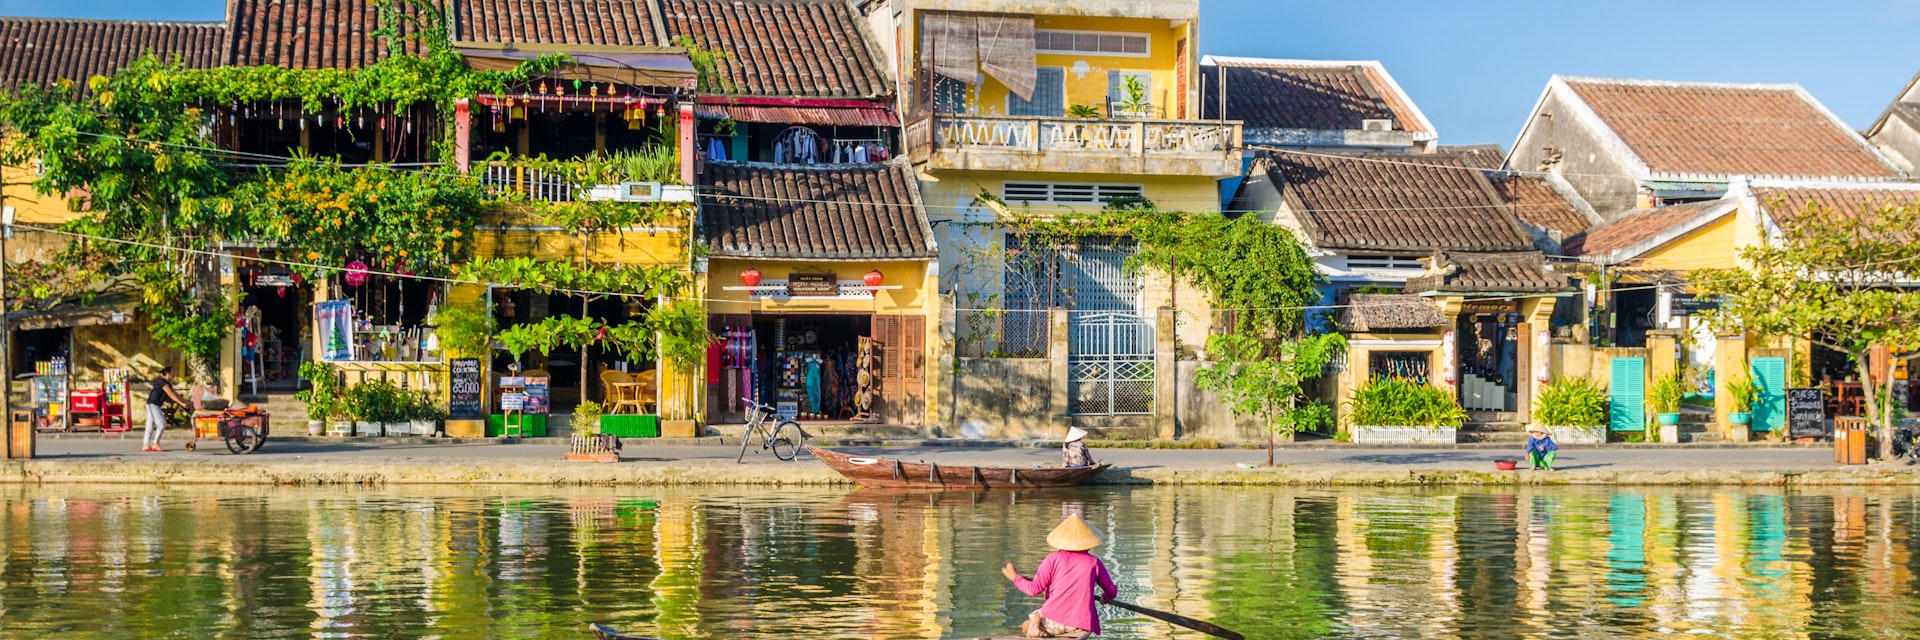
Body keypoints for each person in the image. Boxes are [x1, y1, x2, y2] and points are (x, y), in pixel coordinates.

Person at [1002, 514, 1117, 638]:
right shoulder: (1094, 562)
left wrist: (1015, 577)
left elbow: (1034, 589)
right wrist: (1105, 597)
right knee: (1037, 619)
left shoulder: (1053, 559)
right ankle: (1036, 620)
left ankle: (1035, 621)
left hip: (1054, 620)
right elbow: (1111, 591)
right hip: (1081, 624)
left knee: (1026, 625)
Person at [144, 366, 188, 452]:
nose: (174, 375)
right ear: (168, 374)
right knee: (162, 424)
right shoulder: (162, 382)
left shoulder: (167, 383)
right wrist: (181, 403)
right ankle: (155, 443)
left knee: (150, 425)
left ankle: (146, 445)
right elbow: (171, 394)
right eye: (173, 373)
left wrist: (186, 402)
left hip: (153, 404)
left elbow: (175, 394)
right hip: (153, 405)